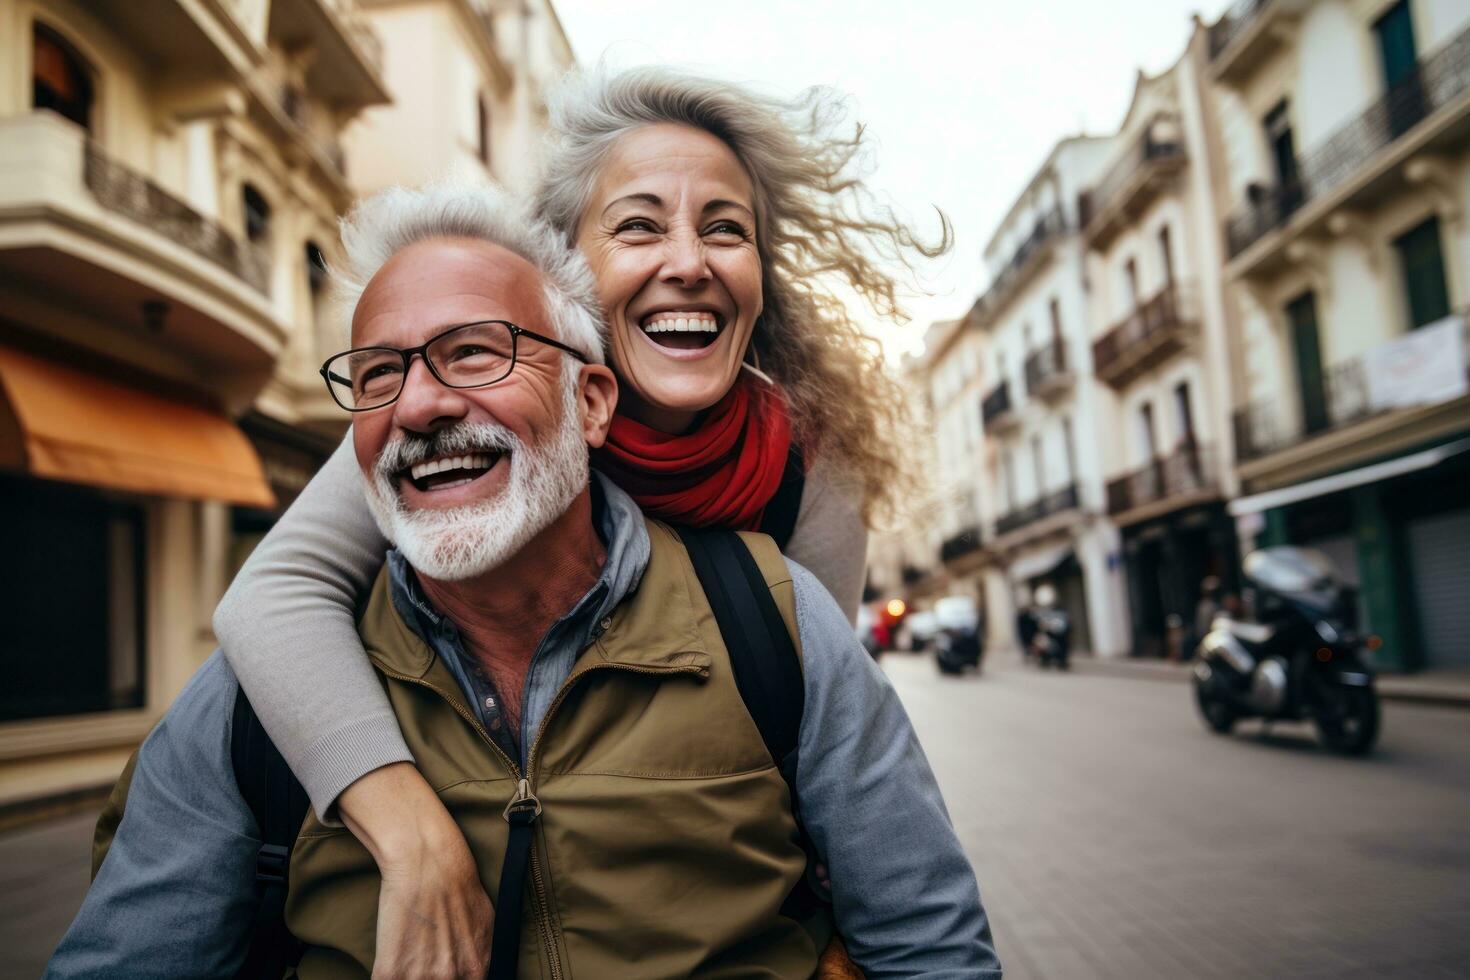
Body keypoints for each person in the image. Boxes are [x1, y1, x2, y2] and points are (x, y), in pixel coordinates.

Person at [49, 189, 999, 978]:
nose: (420, 403)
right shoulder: (255, 704)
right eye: (380, 374)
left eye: (473, 352)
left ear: (591, 402)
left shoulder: (775, 623)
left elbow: (930, 948)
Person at [212, 67, 948, 971]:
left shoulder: (813, 463)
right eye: (639, 225)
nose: (690, 261)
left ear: (761, 275)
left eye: (727, 229)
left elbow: (813, 736)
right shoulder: (475, 412)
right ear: (565, 267)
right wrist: (409, 830)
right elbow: (275, 593)